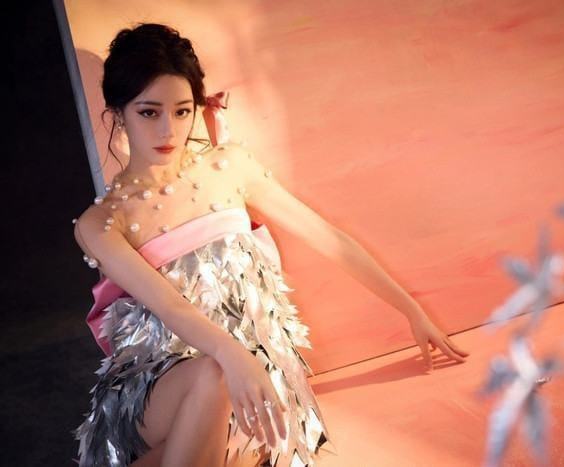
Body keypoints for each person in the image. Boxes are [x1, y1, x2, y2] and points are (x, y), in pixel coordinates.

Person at [72, 22, 469, 467]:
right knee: (211, 376)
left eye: (182, 112)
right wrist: (230, 355)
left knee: (237, 424)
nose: (168, 130)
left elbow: (329, 238)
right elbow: (170, 307)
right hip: (156, 391)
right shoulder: (100, 223)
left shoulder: (228, 166)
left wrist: (410, 309)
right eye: (149, 113)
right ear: (118, 112)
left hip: (254, 380)